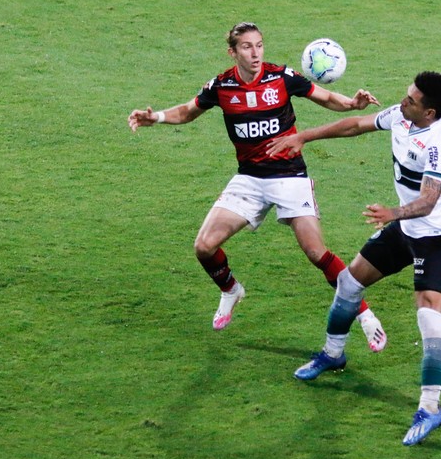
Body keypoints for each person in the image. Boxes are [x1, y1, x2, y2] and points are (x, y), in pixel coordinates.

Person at [127, 22, 388, 350]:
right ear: (233, 52)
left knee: (315, 251)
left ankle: (364, 315)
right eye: (247, 47)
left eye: (260, 45)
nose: (255, 53)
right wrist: (159, 118)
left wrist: (352, 104)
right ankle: (231, 290)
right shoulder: (222, 86)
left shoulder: (281, 77)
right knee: (204, 246)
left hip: (289, 175)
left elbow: (324, 97)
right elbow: (188, 111)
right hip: (249, 178)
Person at [267, 71, 441, 446]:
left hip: (435, 237)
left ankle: (430, 408)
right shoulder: (403, 117)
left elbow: (429, 201)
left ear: (430, 112)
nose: (404, 102)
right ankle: (333, 354)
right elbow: (356, 124)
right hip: (403, 229)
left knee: (428, 315)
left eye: (412, 100)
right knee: (349, 282)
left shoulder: (440, 144)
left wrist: (392, 212)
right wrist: (303, 136)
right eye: (406, 95)